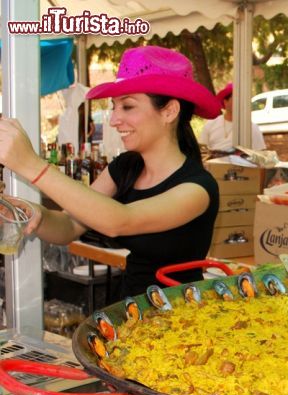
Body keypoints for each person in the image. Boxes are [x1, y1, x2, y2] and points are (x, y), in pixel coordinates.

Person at [0, 45, 222, 300]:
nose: (114, 119)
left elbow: (120, 221)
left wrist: (31, 164)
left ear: (169, 111)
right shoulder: (126, 167)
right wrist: (31, 214)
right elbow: (68, 226)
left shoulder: (198, 188)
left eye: (127, 107)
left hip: (181, 319)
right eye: (114, 106)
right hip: (131, 310)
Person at [199, 82, 266, 152]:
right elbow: (203, 150)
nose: (240, 103)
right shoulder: (211, 124)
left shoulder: (251, 128)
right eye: (236, 99)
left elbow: (260, 154)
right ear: (225, 102)